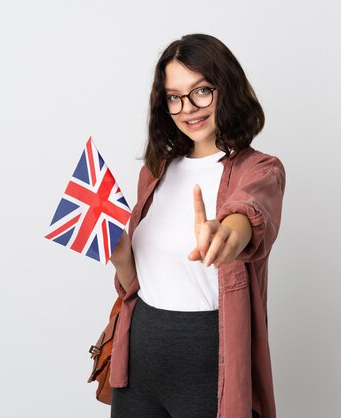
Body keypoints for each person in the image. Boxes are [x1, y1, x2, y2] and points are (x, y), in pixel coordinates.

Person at [108, 33, 286, 418]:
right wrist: (122, 257)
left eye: (201, 90)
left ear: (227, 88)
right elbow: (138, 281)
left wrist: (227, 232)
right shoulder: (155, 172)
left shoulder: (258, 169)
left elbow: (249, 213)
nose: (188, 108)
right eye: (174, 97)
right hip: (139, 361)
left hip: (208, 361)